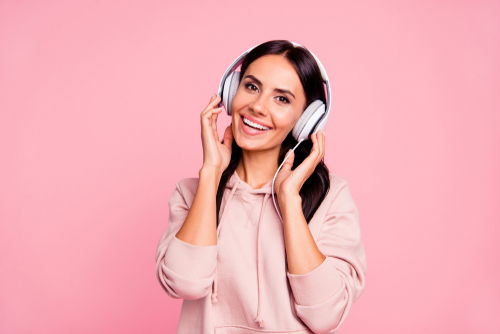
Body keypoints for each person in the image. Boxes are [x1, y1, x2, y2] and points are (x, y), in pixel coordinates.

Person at [155, 40, 367, 334]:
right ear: (231, 93)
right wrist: (211, 173)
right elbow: (185, 283)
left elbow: (325, 316)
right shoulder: (192, 193)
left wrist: (289, 200)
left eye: (282, 99)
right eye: (252, 87)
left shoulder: (332, 199)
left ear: (306, 121)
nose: (257, 106)